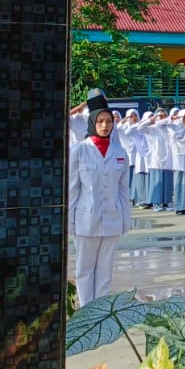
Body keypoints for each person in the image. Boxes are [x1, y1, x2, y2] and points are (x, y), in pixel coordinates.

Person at [68, 96, 131, 306]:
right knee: (85, 270)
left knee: (105, 269)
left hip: (112, 219)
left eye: (109, 121)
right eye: (100, 121)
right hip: (86, 220)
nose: (105, 126)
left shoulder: (120, 153)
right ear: (92, 122)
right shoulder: (79, 151)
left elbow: (124, 191)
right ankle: (87, 310)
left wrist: (125, 220)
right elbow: (72, 189)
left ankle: (101, 311)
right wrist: (70, 222)